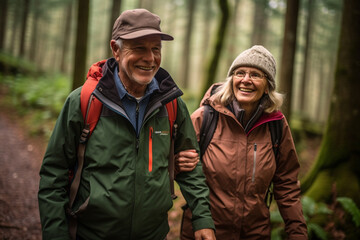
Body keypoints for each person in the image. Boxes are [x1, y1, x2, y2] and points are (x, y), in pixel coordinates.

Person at [38, 8, 215, 240]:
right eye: (139, 48)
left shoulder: (172, 104)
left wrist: (202, 218)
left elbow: (190, 166)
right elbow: (53, 175)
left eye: (155, 49)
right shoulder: (84, 102)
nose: (150, 58)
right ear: (116, 50)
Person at [178, 45, 308, 239]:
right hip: (206, 233)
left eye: (256, 75)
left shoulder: (277, 126)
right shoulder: (205, 118)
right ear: (231, 80)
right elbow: (175, 164)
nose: (246, 80)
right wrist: (176, 163)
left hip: (255, 234)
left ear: (267, 87)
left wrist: (297, 232)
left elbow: (287, 184)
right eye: (240, 73)